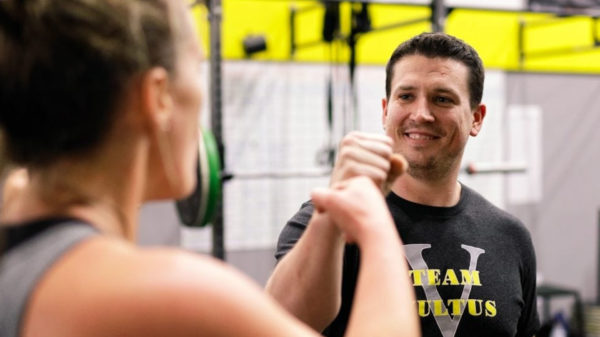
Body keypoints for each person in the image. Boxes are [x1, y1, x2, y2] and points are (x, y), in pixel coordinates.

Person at [0, 1, 421, 337]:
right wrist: (375, 226)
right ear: (158, 98)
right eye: (198, 68)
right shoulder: (167, 294)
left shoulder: (19, 224)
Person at [266, 32, 540, 337]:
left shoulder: (509, 236)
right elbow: (275, 324)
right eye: (406, 96)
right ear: (385, 110)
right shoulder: (326, 223)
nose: (421, 114)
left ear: (476, 118)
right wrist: (331, 219)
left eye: (442, 99)